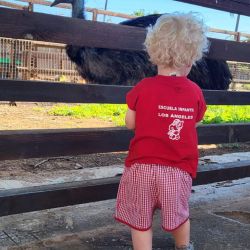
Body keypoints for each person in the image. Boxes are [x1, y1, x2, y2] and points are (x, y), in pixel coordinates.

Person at [115, 13, 208, 250]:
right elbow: (195, 121)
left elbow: (130, 123)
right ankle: (183, 247)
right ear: (190, 59)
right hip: (177, 170)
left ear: (154, 54)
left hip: (142, 167)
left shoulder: (143, 87)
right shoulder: (195, 91)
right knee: (179, 214)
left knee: (140, 219)